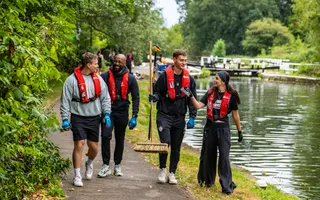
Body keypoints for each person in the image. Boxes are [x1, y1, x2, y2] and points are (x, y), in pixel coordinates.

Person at [181, 71, 243, 194]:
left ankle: (226, 186)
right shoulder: (210, 93)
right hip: (210, 128)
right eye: (215, 78)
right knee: (208, 155)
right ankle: (207, 181)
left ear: (223, 81)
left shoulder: (231, 96)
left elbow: (235, 116)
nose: (215, 80)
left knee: (224, 157)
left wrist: (239, 131)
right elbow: (198, 106)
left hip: (223, 129)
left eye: (217, 79)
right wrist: (190, 96)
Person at [60, 52, 112, 187]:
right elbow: (65, 100)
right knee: (79, 144)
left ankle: (89, 163)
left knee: (94, 148)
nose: (97, 65)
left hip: (94, 117)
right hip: (78, 117)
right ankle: (77, 175)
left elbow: (105, 97)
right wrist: (65, 118)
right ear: (88, 65)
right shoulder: (71, 80)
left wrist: (106, 113)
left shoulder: (99, 79)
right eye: (95, 63)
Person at [149, 49, 197, 185]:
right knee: (165, 142)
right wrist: (155, 97)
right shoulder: (165, 76)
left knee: (176, 146)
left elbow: (192, 99)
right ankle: (163, 170)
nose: (184, 63)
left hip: (179, 117)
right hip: (164, 115)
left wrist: (192, 116)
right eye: (181, 60)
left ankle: (172, 173)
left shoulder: (189, 79)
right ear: (174, 59)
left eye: (185, 60)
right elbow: (158, 92)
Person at [98, 54, 140, 177]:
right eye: (115, 61)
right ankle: (105, 165)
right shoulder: (105, 76)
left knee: (120, 138)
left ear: (125, 63)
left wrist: (134, 115)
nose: (116, 63)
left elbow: (136, 97)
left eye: (119, 62)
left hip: (122, 111)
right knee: (106, 135)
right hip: (108, 110)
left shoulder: (131, 79)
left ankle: (117, 165)